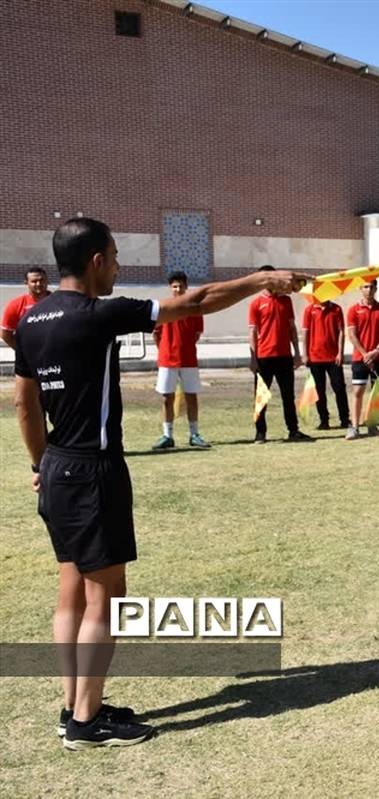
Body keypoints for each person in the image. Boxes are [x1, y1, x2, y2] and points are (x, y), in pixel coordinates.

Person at [11, 218, 305, 749]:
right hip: (93, 470)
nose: (120, 266)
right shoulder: (101, 314)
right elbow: (199, 300)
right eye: (117, 256)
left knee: (70, 590)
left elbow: (24, 406)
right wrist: (263, 280)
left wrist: (39, 465)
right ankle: (85, 723)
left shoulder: (31, 320)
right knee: (107, 597)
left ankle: (76, 704)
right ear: (97, 259)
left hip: (55, 466)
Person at [248, 265, 312, 443]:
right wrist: (253, 359)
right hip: (264, 357)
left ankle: (293, 430)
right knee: (261, 397)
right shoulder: (256, 304)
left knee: (288, 396)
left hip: (284, 356)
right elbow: (252, 332)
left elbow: (291, 328)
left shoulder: (286, 301)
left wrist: (297, 353)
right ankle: (260, 433)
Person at [151, 271, 209, 449]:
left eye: (181, 286)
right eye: (174, 286)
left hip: (189, 359)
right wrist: (165, 351)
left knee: (191, 396)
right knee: (166, 397)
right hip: (167, 360)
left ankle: (194, 434)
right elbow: (156, 334)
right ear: (170, 288)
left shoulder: (194, 308)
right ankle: (167, 435)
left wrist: (184, 347)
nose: (178, 289)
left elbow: (196, 335)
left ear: (186, 287)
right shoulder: (163, 307)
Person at [345, 281, 379, 440]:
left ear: (376, 288)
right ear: (360, 289)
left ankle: (372, 425)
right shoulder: (353, 310)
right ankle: (354, 427)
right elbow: (352, 335)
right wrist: (365, 354)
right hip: (360, 358)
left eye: (372, 287)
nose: (369, 290)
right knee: (358, 391)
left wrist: (376, 351)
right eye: (366, 287)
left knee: (377, 393)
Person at [301, 297, 351, 430]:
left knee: (339, 387)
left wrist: (340, 352)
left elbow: (341, 332)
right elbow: (305, 333)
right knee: (319, 390)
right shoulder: (309, 310)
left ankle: (345, 418)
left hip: (333, 357)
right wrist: (305, 354)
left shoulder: (336, 309)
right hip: (315, 357)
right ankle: (324, 420)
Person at [2, 266, 50, 348]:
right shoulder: (16, 305)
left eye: (42, 280)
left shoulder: (58, 302)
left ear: (47, 281)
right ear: (26, 283)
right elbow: (6, 334)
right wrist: (22, 352)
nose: (39, 284)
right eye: (34, 281)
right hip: (28, 358)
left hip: (53, 355)